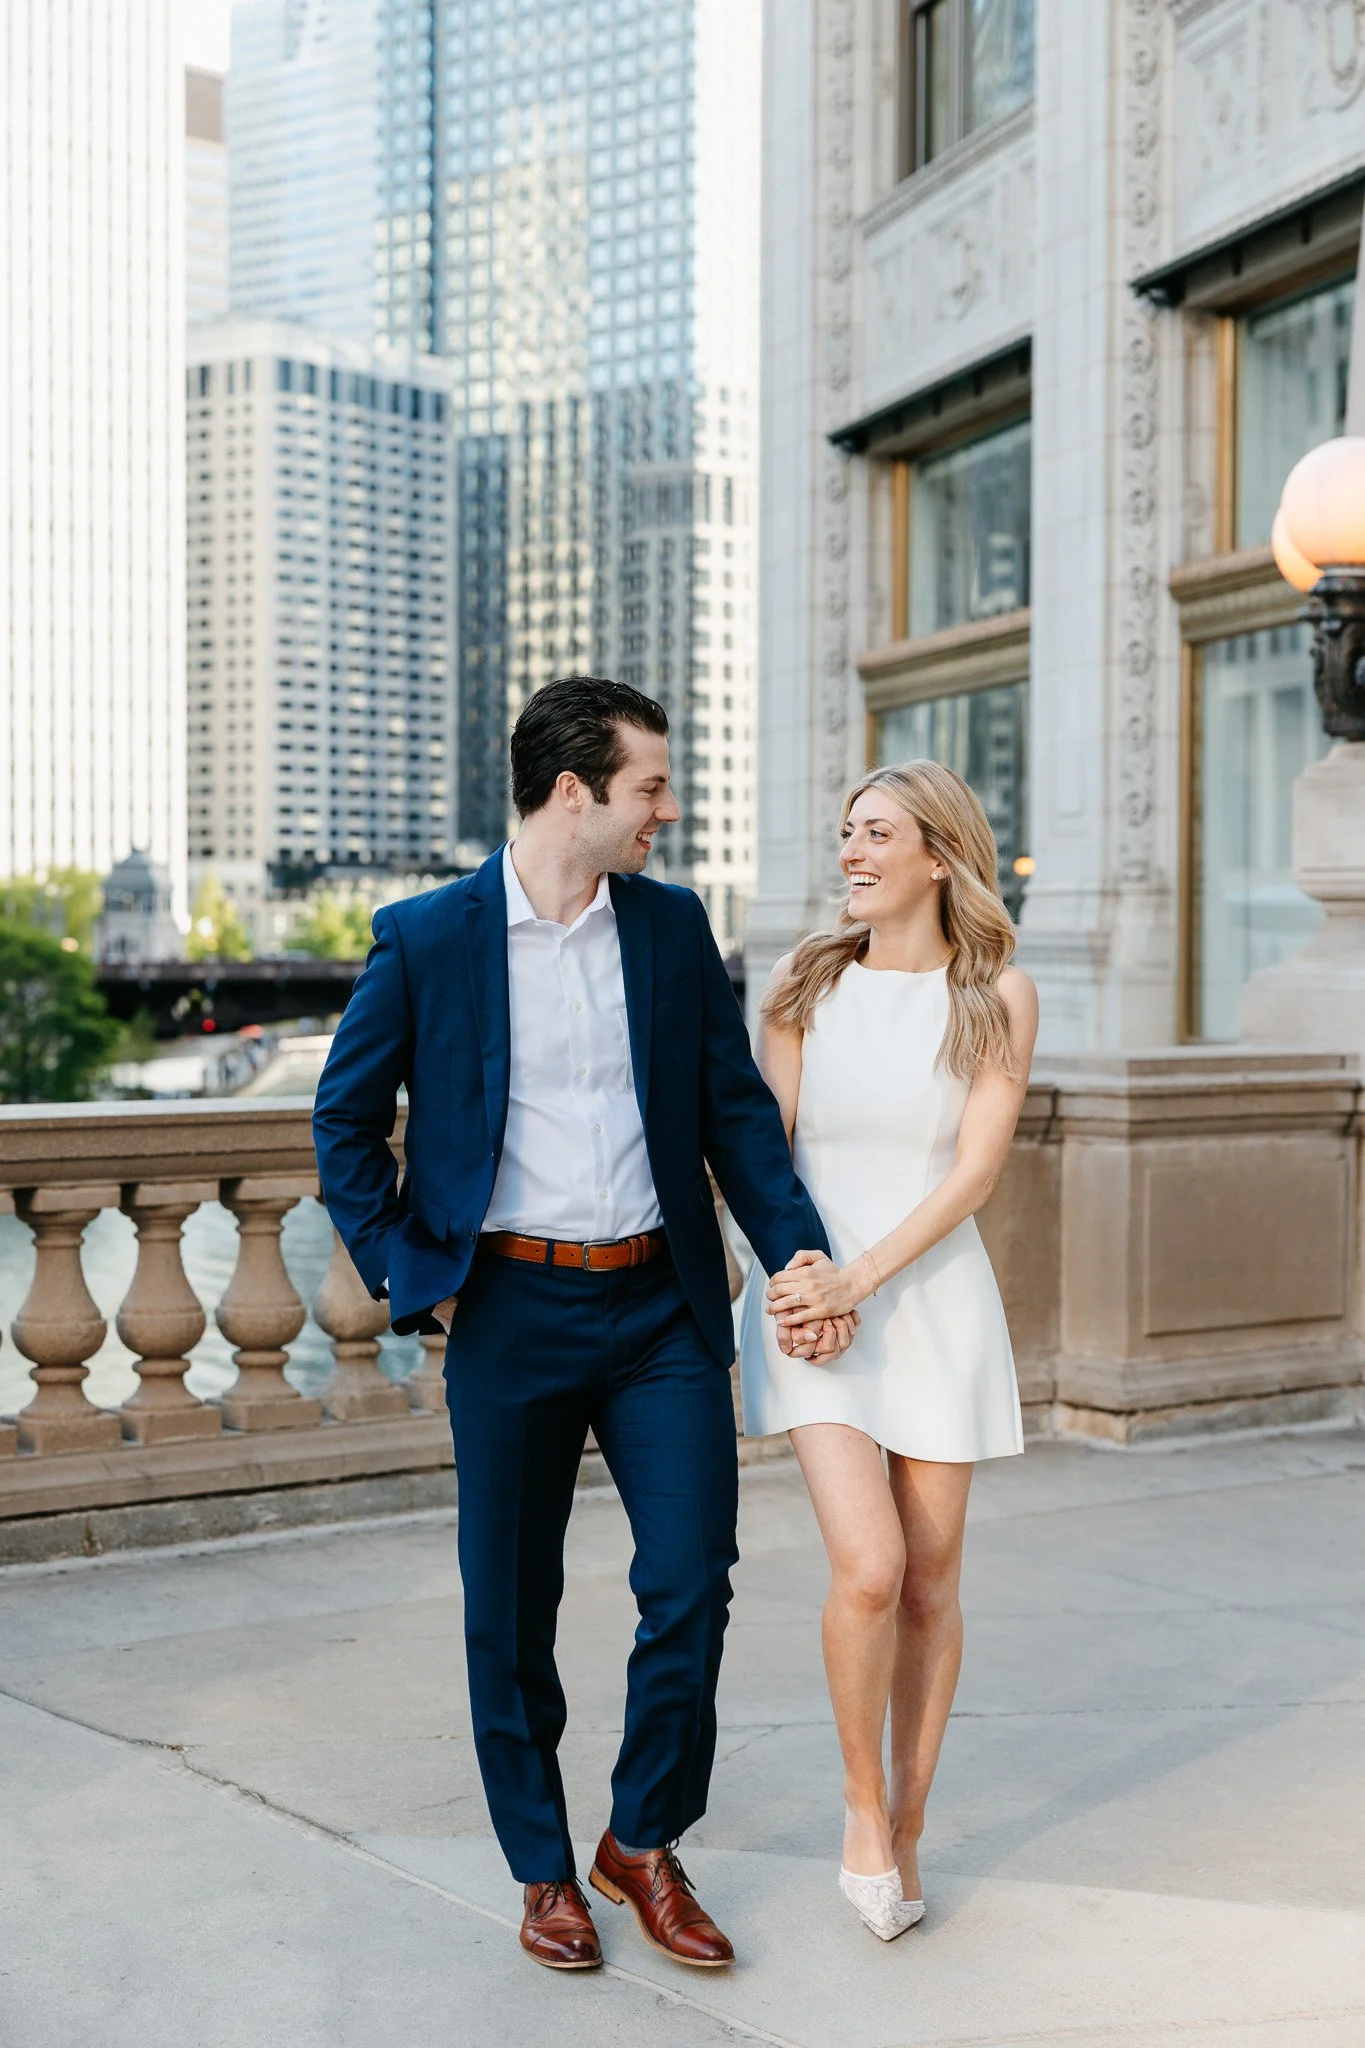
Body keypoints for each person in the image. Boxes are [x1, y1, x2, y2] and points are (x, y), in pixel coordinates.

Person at [313, 676, 855, 1974]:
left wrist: (801, 1255)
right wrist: (419, 1276)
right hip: (509, 1307)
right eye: (650, 786)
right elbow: (344, 1122)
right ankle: (543, 1868)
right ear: (575, 791)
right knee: (510, 1606)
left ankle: (643, 1839)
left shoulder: (669, 927)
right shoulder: (427, 938)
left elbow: (734, 1116)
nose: (667, 810)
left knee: (693, 1578)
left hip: (662, 1304)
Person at [738, 761, 1037, 1943]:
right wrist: (806, 1282)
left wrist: (861, 1278)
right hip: (813, 1307)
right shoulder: (803, 983)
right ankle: (863, 1806)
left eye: (876, 833)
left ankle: (911, 1819)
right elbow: (763, 1154)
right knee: (869, 1564)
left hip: (931, 1306)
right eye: (846, 832)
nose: (851, 852)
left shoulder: (996, 994)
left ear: (939, 855)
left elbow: (975, 1173)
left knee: (930, 1578)